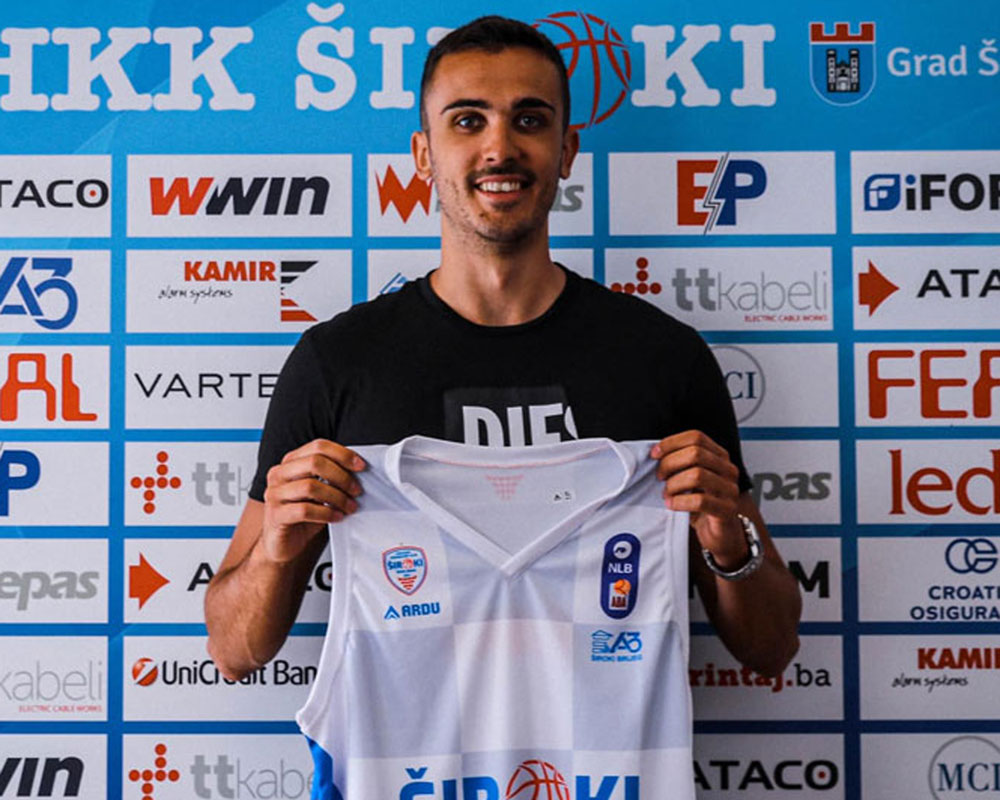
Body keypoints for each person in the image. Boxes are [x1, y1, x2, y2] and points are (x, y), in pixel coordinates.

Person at [206, 13, 799, 694]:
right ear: (424, 153)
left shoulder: (664, 357)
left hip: (609, 750)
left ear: (566, 150)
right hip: (407, 751)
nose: (499, 148)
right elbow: (234, 650)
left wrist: (728, 544)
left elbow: (772, 648)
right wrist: (277, 551)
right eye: (467, 121)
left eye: (529, 120)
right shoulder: (337, 361)